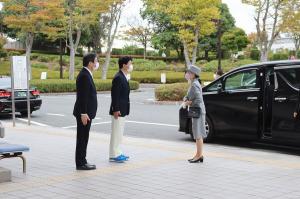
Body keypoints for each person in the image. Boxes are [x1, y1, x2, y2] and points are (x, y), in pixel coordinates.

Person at [73, 53, 99, 170]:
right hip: (84, 114)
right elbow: (82, 97)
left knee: (84, 137)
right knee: (82, 138)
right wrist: (83, 113)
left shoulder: (87, 74)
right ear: (90, 63)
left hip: (86, 113)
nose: (97, 63)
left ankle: (83, 160)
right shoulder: (84, 75)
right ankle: (80, 163)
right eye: (96, 61)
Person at [109, 56, 133, 163]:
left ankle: (117, 152)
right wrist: (116, 109)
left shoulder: (124, 76)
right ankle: (114, 154)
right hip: (118, 110)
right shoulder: (118, 77)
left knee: (119, 133)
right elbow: (115, 95)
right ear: (124, 65)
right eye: (129, 63)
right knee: (116, 133)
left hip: (123, 109)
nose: (131, 65)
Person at [184, 65, 207, 163]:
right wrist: (186, 98)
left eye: (189, 73)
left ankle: (198, 156)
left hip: (197, 111)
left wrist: (189, 102)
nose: (187, 74)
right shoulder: (194, 83)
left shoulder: (194, 84)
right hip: (198, 111)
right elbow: (190, 95)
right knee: (198, 134)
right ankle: (198, 155)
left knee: (198, 134)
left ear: (194, 74)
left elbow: (198, 99)